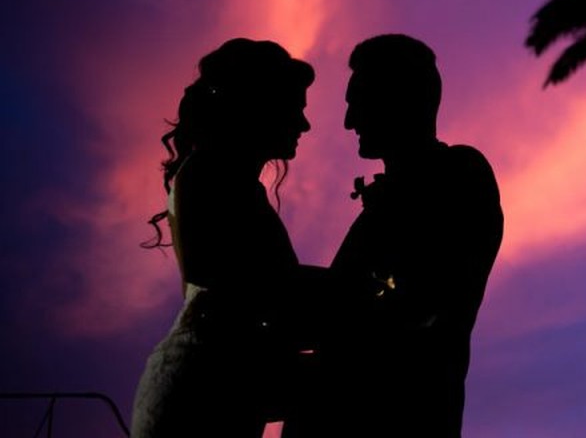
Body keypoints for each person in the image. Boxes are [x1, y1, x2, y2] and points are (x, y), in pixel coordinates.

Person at [285, 34, 503, 437]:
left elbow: (414, 301)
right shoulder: (402, 191)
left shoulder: (459, 174)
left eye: (359, 101)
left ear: (403, 99)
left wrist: (281, 286)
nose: (350, 121)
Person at [131, 38, 318, 438]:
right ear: (257, 103)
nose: (304, 124)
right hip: (197, 396)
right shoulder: (206, 174)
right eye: (295, 108)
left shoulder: (233, 183)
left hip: (218, 392)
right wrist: (367, 290)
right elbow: (240, 284)